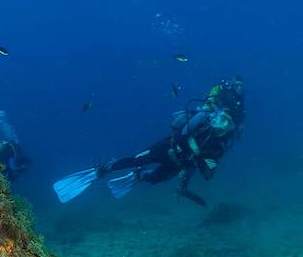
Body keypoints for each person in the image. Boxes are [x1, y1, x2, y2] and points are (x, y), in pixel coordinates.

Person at [54, 76, 245, 207]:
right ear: (215, 116)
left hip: (178, 164)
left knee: (153, 180)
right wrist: (198, 154)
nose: (222, 125)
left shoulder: (219, 146)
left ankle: (139, 176)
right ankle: (101, 170)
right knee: (136, 159)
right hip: (166, 149)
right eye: (221, 119)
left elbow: (208, 174)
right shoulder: (203, 120)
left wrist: (204, 164)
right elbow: (183, 135)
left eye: (227, 124)